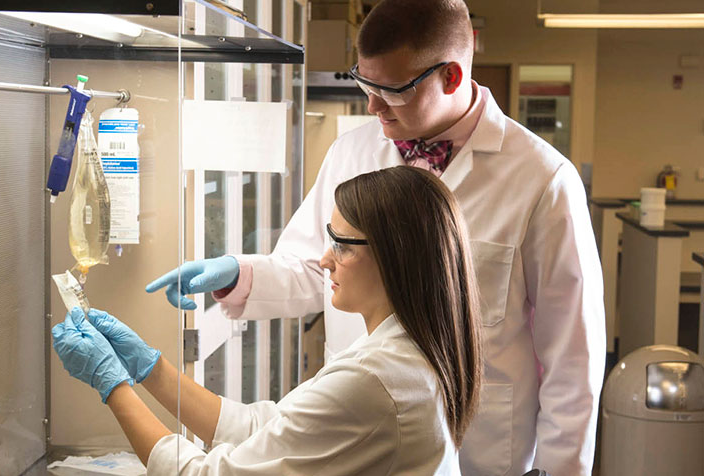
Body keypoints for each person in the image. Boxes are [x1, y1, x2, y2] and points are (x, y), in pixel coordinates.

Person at [146, 1, 606, 475]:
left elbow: (572, 360)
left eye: (390, 89)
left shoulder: (542, 179)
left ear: (450, 76)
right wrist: (238, 274)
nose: (372, 104)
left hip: (482, 450)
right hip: (358, 429)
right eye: (364, 82)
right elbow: (319, 264)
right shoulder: (354, 150)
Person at [52, 166, 483, 474]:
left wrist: (114, 387)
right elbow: (268, 427)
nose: (324, 259)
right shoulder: (407, 350)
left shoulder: (376, 380)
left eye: (343, 246)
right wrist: (149, 368)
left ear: (397, 258)